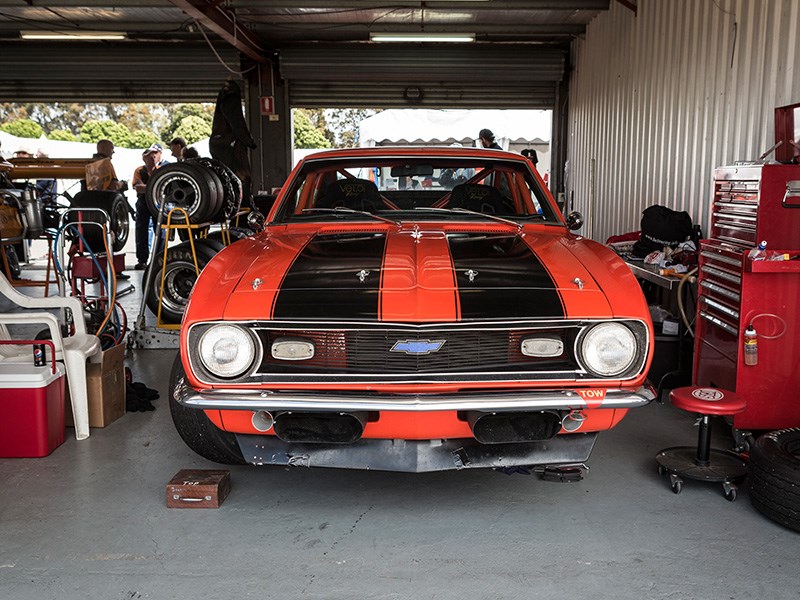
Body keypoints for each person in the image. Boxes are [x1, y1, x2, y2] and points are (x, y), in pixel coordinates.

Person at [131, 143, 168, 270]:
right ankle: (142, 260)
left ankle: (159, 258)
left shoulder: (162, 169)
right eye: (149, 155)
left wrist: (147, 187)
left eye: (154, 155)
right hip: (143, 202)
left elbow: (163, 187)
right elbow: (138, 187)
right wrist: (153, 187)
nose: (152, 158)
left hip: (158, 202)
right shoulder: (139, 170)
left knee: (161, 230)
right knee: (141, 230)